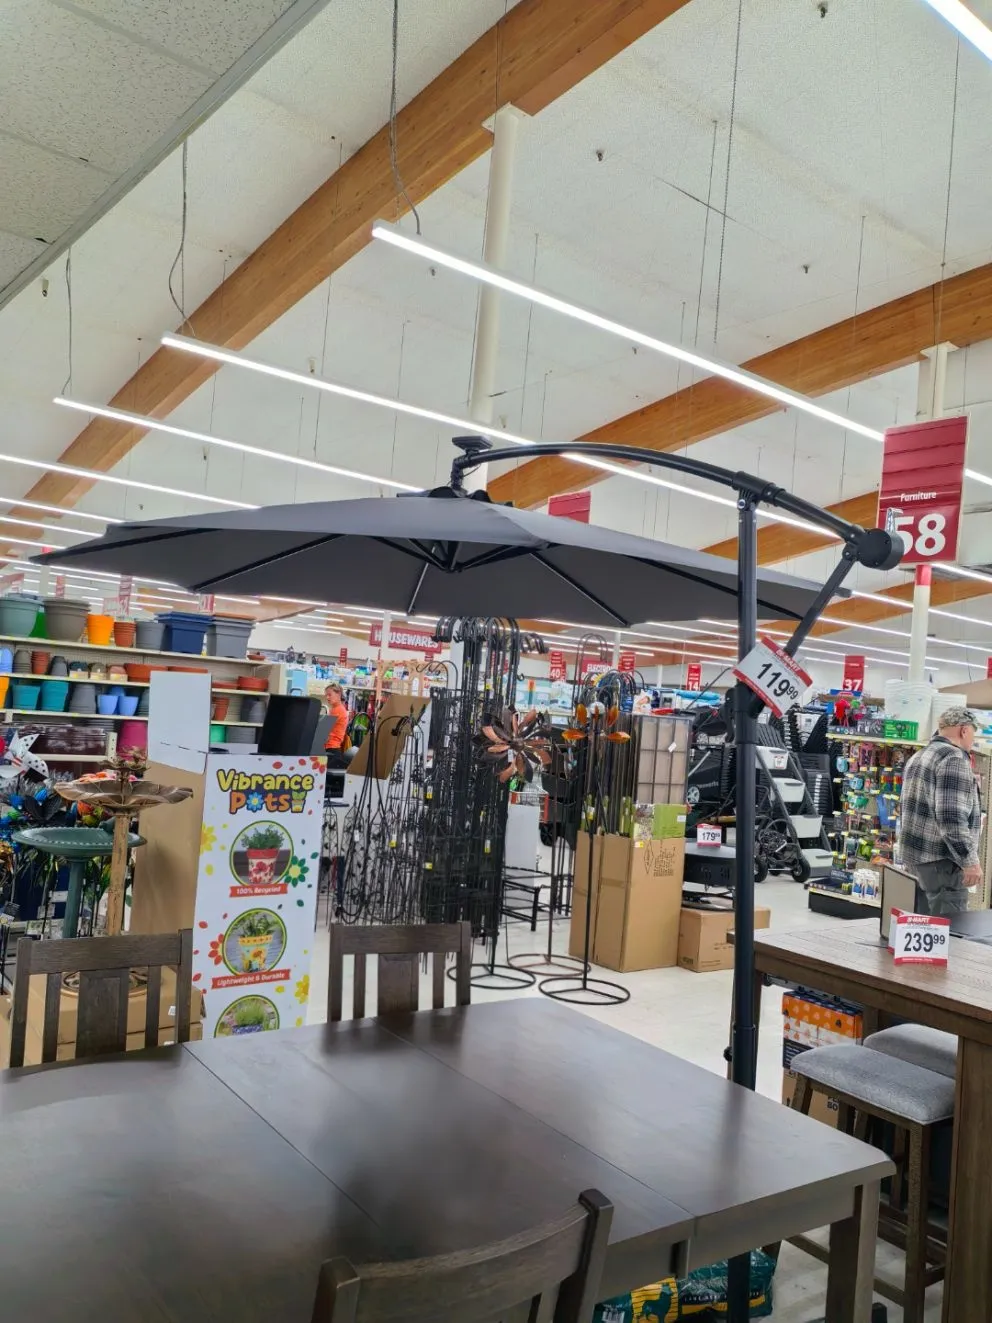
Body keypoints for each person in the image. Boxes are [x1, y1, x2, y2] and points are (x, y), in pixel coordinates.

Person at [899, 706, 982, 916]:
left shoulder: (920, 755)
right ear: (964, 730)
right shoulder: (954, 759)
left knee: (924, 925)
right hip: (942, 864)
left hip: (918, 860)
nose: (972, 739)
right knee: (949, 928)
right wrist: (969, 861)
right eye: (973, 733)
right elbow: (951, 818)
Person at [323, 683, 352, 768]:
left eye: (329, 695)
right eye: (326, 695)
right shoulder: (337, 709)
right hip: (332, 748)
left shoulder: (337, 710)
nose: (327, 697)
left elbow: (325, 729)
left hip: (332, 749)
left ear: (338, 694)